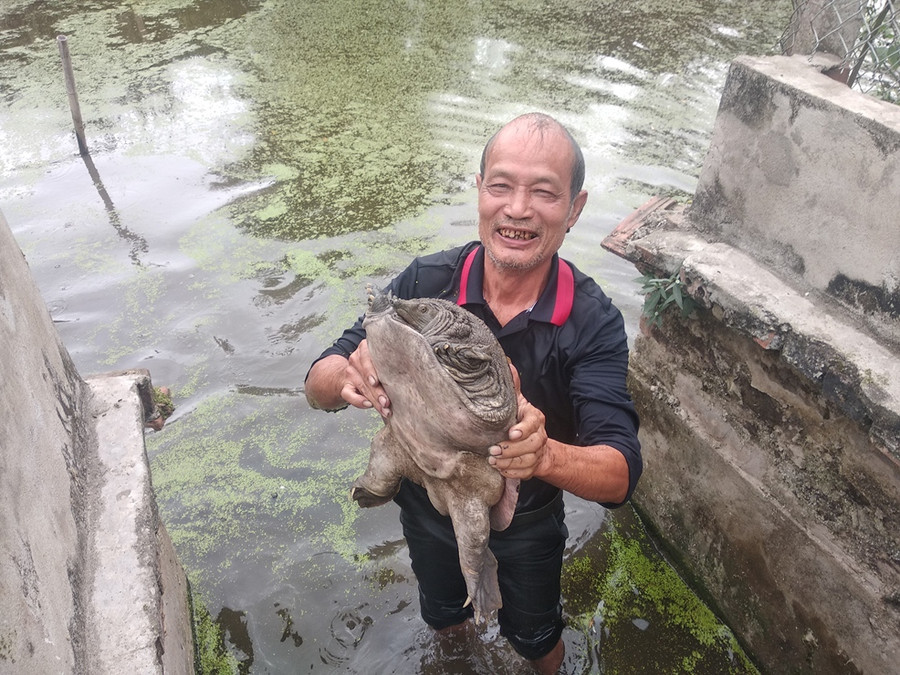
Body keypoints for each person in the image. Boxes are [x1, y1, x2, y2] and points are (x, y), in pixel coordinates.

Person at [305, 113, 641, 674]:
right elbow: (318, 383)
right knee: (443, 613)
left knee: (536, 638)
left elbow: (620, 476)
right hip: (424, 497)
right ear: (480, 189)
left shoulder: (592, 321)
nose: (517, 209)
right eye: (502, 186)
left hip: (527, 520)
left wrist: (545, 454)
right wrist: (349, 375)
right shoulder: (426, 284)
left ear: (575, 209)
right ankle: (455, 658)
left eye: (544, 193)